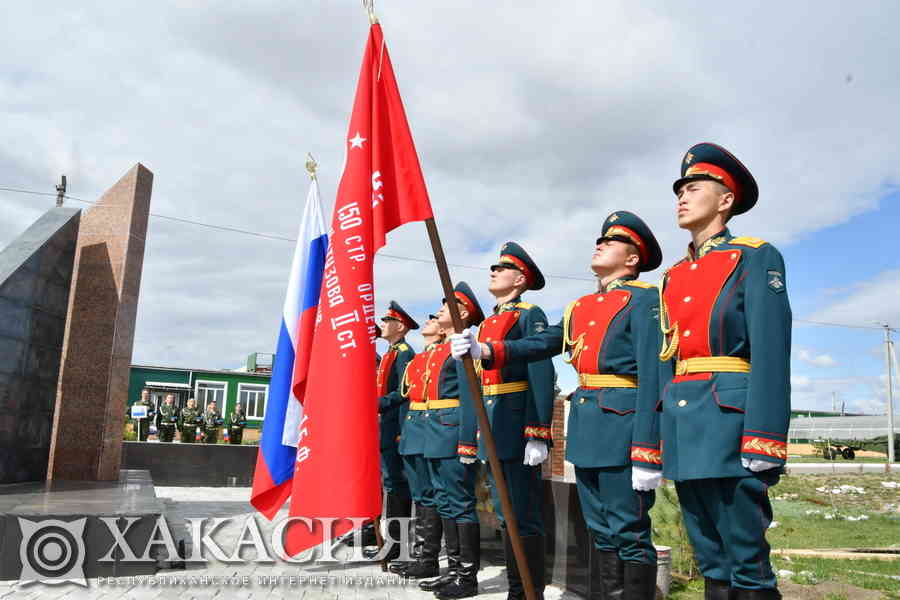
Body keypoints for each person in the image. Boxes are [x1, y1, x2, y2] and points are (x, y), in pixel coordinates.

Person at [452, 219, 665, 600]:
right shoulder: (580, 306)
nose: (599, 244)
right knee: (600, 530)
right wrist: (488, 350)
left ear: (632, 258)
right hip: (588, 429)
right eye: (599, 239)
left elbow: (654, 373)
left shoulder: (646, 298)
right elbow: (543, 343)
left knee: (629, 531)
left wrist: (649, 447)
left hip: (623, 427)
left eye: (611, 241)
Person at [659, 143, 791, 599]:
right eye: (679, 190)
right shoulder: (673, 275)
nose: (681, 196)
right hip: (685, 418)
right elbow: (667, 357)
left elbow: (772, 350)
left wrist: (766, 437)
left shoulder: (755, 256)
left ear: (725, 200)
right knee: (709, 555)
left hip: (732, 419)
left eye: (694, 188)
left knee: (745, 556)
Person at [459, 242, 556, 599]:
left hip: (516, 425)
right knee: (505, 512)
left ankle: (528, 591)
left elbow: (541, 371)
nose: (494, 271)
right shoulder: (484, 326)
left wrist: (537, 431)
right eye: (494, 267)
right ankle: (518, 586)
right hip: (494, 425)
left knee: (523, 513)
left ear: (519, 279)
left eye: (503, 268)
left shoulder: (529, 314)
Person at [418, 282, 485, 600]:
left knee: (459, 504)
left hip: (453, 432)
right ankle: (454, 571)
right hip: (435, 433)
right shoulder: (441, 349)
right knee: (445, 503)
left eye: (447, 305)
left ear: (462, 312)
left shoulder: (461, 346)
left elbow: (472, 395)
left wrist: (468, 441)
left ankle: (468, 578)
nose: (439, 310)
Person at [391, 313, 445, 578]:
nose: (430, 320)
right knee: (420, 496)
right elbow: (401, 395)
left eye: (434, 319)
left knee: (428, 496)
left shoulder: (445, 354)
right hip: (413, 432)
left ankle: (427, 558)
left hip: (430, 431)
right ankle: (420, 555)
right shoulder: (417, 360)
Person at [363, 302, 418, 562]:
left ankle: (398, 546)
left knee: (397, 487)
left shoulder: (404, 353)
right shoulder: (390, 352)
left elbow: (405, 392)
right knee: (389, 485)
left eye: (387, 321)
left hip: (394, 427)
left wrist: (379, 404)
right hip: (383, 427)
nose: (382, 325)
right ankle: (389, 543)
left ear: (400, 327)